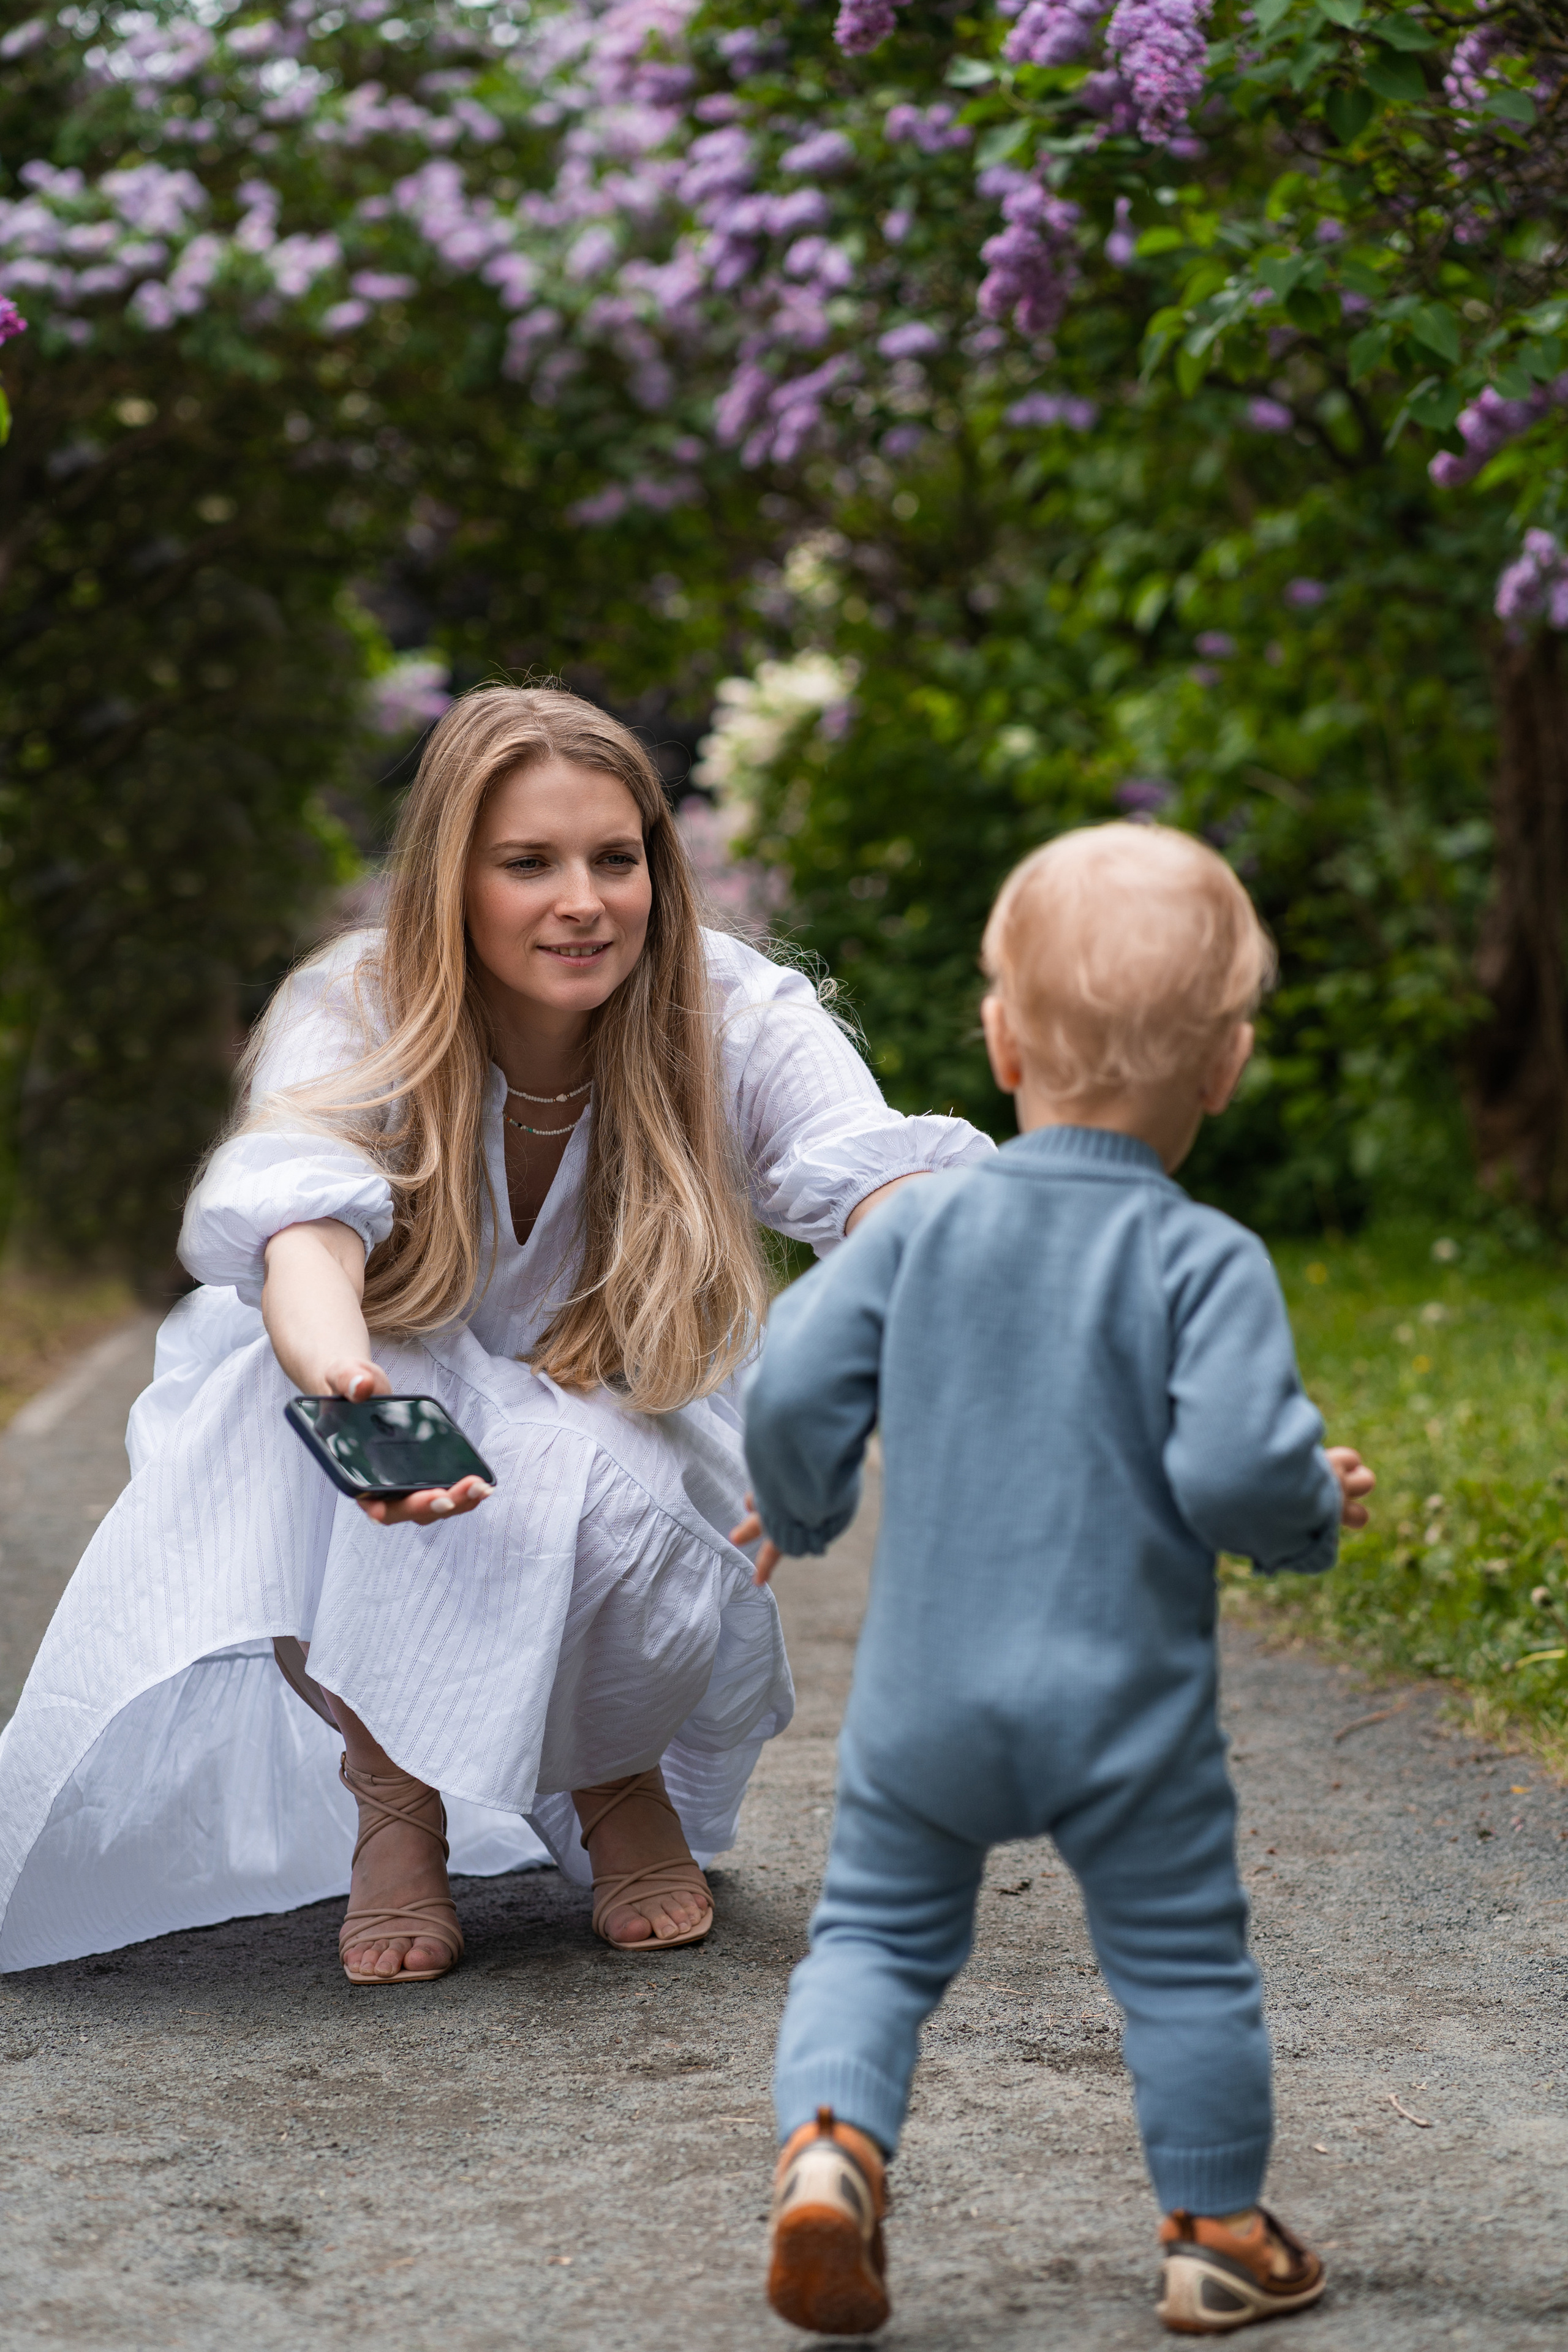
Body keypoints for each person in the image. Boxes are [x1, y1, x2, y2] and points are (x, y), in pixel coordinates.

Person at [0, 684, 993, 1983]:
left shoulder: (727, 1011)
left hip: (629, 1388)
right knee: (289, 1416)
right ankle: (393, 1800)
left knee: (588, 1471)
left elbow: (873, 1183)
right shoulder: (357, 1007)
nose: (582, 899)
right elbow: (303, 1239)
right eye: (529, 864)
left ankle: (614, 1775)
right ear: (452, 882)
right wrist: (346, 1388)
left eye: (614, 859)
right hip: (393, 1363)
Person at [734, 823, 1376, 2337]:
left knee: (876, 1941)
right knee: (1180, 1965)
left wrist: (803, 1506)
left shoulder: (919, 1229)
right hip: (1126, 1719)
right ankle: (1214, 2233)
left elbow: (787, 1394)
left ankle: (829, 2155)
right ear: (1221, 1070)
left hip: (923, 1709)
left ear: (1000, 1038)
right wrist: (1303, 1514)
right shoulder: (1206, 1260)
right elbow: (1233, 1470)